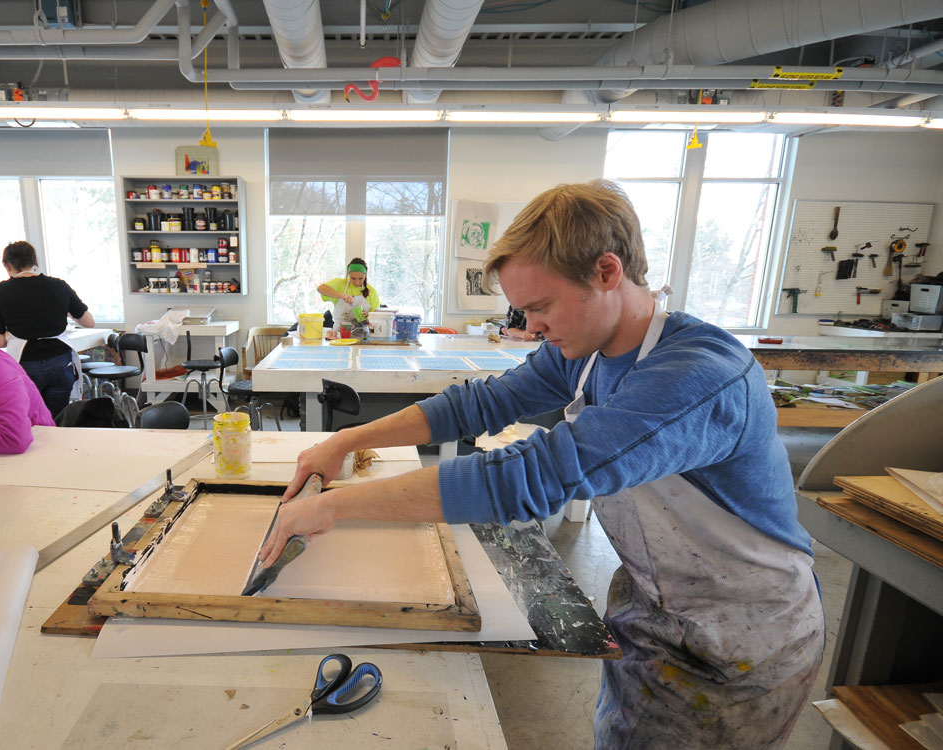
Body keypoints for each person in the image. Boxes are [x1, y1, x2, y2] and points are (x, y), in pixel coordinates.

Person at [261, 180, 824, 748]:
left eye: (539, 307)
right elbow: (481, 403)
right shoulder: (585, 351)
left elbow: (531, 475)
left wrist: (337, 506)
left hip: (741, 638)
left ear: (607, 272)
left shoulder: (697, 376)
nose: (530, 328)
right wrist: (347, 440)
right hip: (651, 610)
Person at [0, 241, 95, 417]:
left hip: (25, 365)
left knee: (30, 422)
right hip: (60, 362)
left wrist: (10, 332)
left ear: (7, 265)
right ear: (35, 262)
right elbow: (89, 322)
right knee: (56, 420)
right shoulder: (59, 286)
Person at [317, 258, 380, 329]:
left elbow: (377, 320)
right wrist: (343, 296)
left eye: (360, 278)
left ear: (365, 276)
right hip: (340, 333)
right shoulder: (340, 284)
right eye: (353, 278)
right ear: (348, 274)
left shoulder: (371, 291)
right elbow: (320, 288)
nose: (357, 282)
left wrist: (367, 317)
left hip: (363, 335)